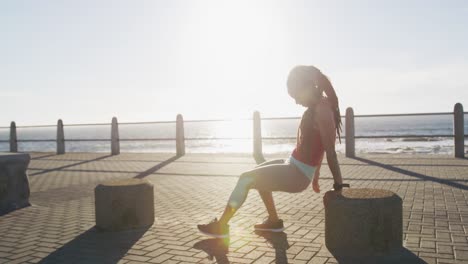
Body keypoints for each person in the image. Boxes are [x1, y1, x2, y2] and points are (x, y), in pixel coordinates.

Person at [197, 65, 348, 238]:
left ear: (305, 88)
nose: (296, 101)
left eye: (295, 95)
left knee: (245, 179)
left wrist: (338, 186)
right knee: (258, 175)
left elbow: (330, 151)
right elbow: (318, 144)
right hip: (293, 164)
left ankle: (221, 226)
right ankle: (274, 221)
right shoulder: (318, 106)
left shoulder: (322, 109)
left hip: (297, 174)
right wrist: (316, 174)